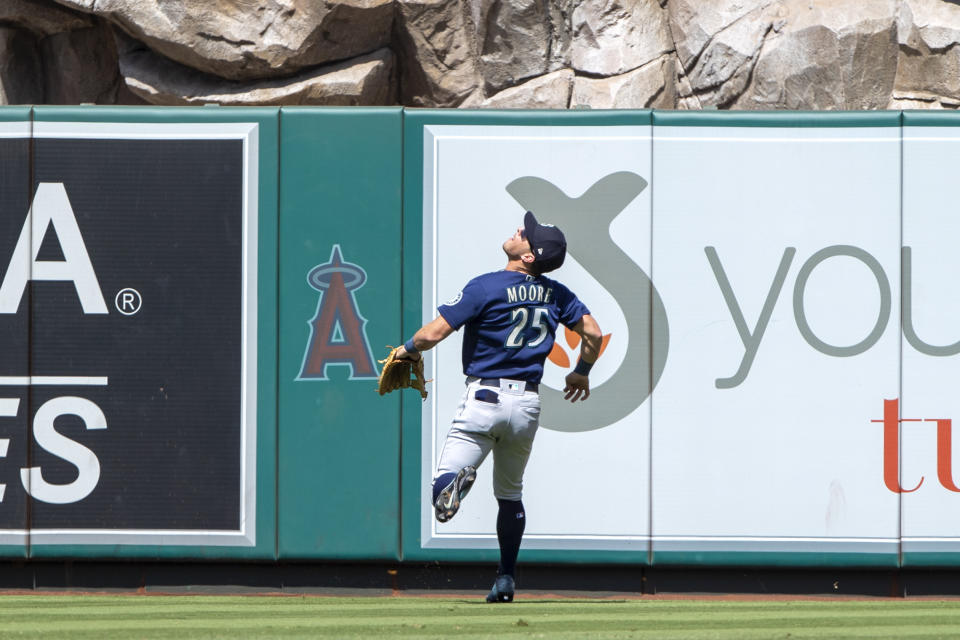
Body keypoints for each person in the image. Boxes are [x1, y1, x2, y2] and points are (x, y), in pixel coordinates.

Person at [396, 211, 602, 603]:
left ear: (528, 257)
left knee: (442, 487)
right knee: (510, 494)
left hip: (484, 398)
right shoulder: (557, 294)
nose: (521, 230)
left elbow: (433, 334)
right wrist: (581, 372)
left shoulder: (486, 286)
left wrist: (407, 350)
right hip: (526, 405)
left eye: (527, 235)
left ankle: (452, 486)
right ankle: (506, 579)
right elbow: (592, 332)